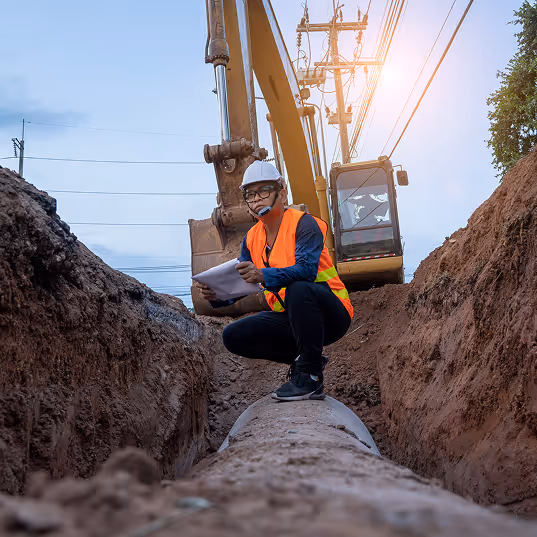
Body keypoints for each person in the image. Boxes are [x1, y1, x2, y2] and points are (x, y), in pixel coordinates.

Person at [195, 160, 353, 401]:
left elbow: (307, 271)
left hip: (330, 314)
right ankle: (305, 358)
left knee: (298, 288)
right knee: (233, 336)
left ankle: (310, 377)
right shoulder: (251, 239)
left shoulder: (304, 224)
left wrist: (263, 275)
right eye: (250, 194)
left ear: (282, 191)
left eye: (264, 191)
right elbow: (247, 281)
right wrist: (219, 295)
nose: (257, 199)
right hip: (293, 318)